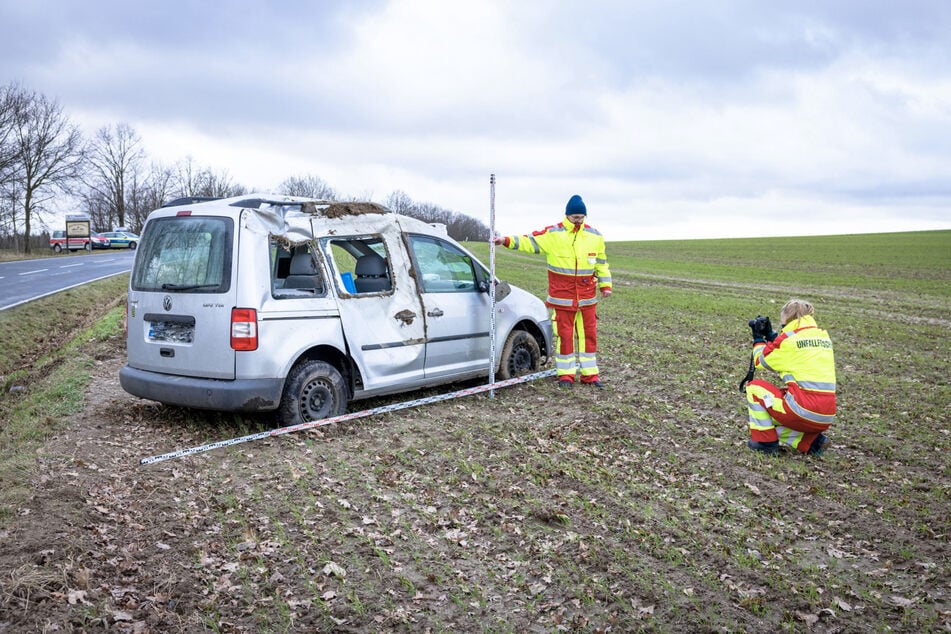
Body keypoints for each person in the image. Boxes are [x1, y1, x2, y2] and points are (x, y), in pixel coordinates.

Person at [492, 194, 612, 388]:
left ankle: (590, 375)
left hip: (587, 299)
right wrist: (505, 240)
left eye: (581, 217)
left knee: (589, 337)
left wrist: (606, 286)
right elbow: (528, 242)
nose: (578, 221)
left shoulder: (595, 236)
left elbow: (601, 264)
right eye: (575, 217)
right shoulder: (553, 234)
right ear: (567, 215)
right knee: (565, 337)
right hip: (562, 299)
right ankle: (566, 375)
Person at [745, 299, 836, 455]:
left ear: (787, 320)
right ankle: (812, 442)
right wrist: (772, 336)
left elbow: (760, 361)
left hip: (802, 410)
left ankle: (765, 443)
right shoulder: (823, 337)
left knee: (755, 390)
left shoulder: (788, 341)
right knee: (770, 417)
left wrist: (759, 339)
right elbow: (793, 352)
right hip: (827, 414)